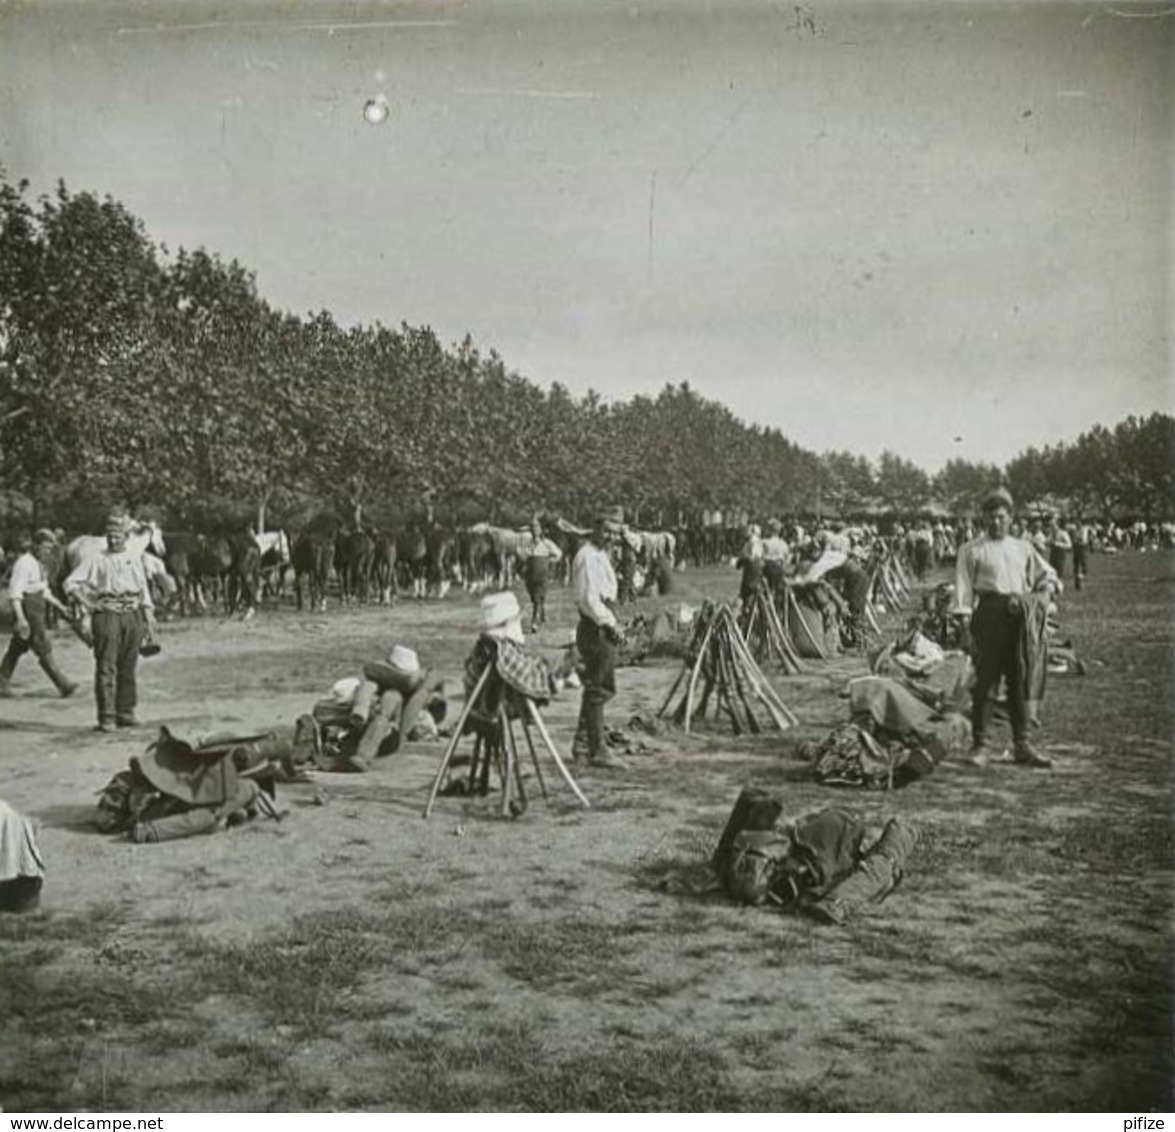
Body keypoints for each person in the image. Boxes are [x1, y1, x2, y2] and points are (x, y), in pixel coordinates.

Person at [953, 488, 1059, 769]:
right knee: (986, 683)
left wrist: (1046, 589)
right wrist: (965, 628)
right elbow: (963, 591)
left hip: (1019, 620)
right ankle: (981, 745)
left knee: (1020, 680)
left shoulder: (1023, 547)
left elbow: (1046, 574)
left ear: (1010, 518)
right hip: (988, 616)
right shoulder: (971, 549)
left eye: (1001, 517)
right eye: (990, 517)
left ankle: (1022, 745)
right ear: (983, 519)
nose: (996, 522)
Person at [64, 513, 157, 732]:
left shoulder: (135, 558)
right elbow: (70, 583)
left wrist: (149, 618)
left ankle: (126, 712)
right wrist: (88, 603)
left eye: (117, 537)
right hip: (107, 615)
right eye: (110, 536)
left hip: (133, 614)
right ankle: (106, 717)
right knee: (106, 667)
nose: (113, 540)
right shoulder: (97, 558)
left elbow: (144, 591)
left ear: (126, 537)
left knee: (128, 666)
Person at [570, 505, 627, 770]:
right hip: (596, 626)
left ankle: (582, 744)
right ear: (596, 528)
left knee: (596, 684)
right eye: (607, 531)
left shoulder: (601, 555)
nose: (612, 537)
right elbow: (590, 600)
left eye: (616, 533)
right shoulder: (589, 556)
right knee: (600, 687)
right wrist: (611, 624)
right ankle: (598, 749)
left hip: (602, 621)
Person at [0, 529, 78, 699]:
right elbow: (15, 594)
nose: (47, 552)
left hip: (37, 607)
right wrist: (20, 619)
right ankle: (63, 684)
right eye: (45, 548)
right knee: (43, 646)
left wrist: (61, 607)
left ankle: (1, 681)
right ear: (35, 545)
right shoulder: (24, 563)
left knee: (18, 646)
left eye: (50, 549)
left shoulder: (39, 564)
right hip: (28, 610)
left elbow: (43, 590)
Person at [522, 520, 563, 633]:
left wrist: (549, 561)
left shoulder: (547, 543)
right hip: (530, 574)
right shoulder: (528, 543)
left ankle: (534, 622)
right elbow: (523, 555)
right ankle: (542, 616)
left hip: (542, 573)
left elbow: (559, 554)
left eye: (536, 528)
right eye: (532, 528)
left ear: (540, 530)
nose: (535, 531)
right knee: (534, 597)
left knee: (537, 597)